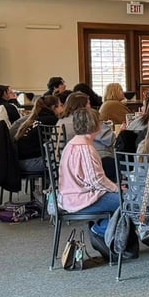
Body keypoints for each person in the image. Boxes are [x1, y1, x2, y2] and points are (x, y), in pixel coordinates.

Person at [58, 107, 120, 255]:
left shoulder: (72, 144)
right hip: (81, 199)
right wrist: (117, 188)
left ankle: (105, 230)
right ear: (95, 124)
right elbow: (96, 180)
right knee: (128, 201)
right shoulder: (85, 148)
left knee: (121, 198)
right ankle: (101, 230)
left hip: (70, 196)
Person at [12, 94, 60, 175]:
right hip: (30, 162)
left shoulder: (33, 119)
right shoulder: (52, 120)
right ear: (53, 107)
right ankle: (52, 186)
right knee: (64, 162)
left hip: (16, 161)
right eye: (60, 105)